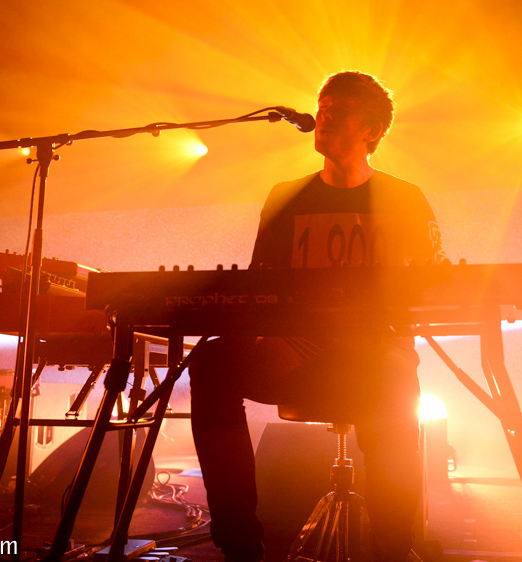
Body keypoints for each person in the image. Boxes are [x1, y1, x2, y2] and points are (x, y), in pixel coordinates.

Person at [188, 71, 447, 562]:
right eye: (322, 106)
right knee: (211, 363)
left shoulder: (405, 198)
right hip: (297, 354)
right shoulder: (286, 197)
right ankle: (239, 544)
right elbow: (261, 288)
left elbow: (433, 286)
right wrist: (267, 337)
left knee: (396, 383)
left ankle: (394, 548)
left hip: (374, 355)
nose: (323, 117)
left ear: (372, 130)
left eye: (339, 110)